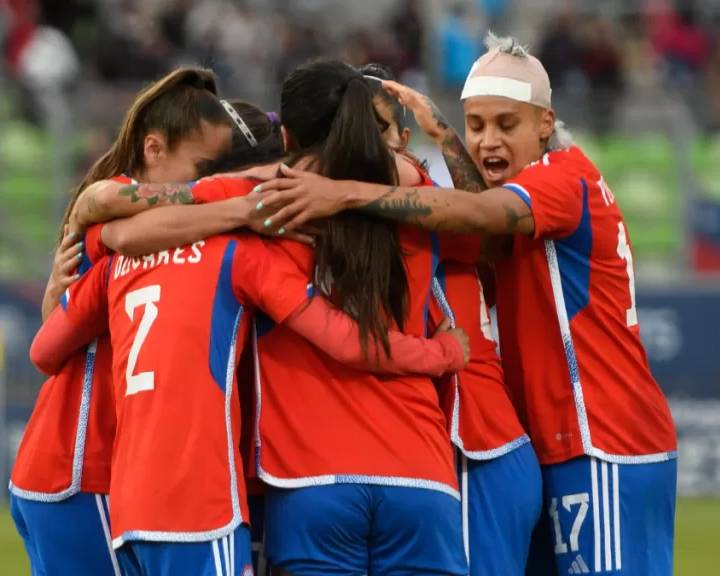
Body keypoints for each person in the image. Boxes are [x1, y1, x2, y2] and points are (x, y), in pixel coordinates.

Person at [251, 34, 679, 576]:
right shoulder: (520, 197)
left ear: (545, 123)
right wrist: (443, 137)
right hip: (548, 440)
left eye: (506, 124)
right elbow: (482, 232)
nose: (488, 141)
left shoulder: (559, 179)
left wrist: (348, 192)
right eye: (476, 125)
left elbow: (478, 217)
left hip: (599, 436)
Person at [78, 59, 473, 576]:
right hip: (424, 475)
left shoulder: (263, 202)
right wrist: (446, 350)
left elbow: (111, 209)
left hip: (313, 481)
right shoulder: (419, 195)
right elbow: (485, 225)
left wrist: (104, 233)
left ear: (285, 135)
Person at [27, 206, 470, 576]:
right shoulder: (240, 254)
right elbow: (348, 342)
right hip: (202, 502)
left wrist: (71, 268)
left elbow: (43, 350)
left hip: (128, 505)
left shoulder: (116, 260)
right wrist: (445, 351)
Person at [9, 67, 245, 576]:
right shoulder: (117, 211)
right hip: (82, 461)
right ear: (153, 149)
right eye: (202, 167)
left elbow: (53, 328)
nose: (207, 181)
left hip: (67, 467)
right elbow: (99, 200)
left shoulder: (138, 225)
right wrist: (238, 202)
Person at [360, 61, 543, 576]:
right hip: (465, 452)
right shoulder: (398, 216)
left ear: (401, 139)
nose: (360, 140)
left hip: (479, 448)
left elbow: (488, 232)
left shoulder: (423, 208)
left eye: (374, 126)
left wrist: (442, 134)